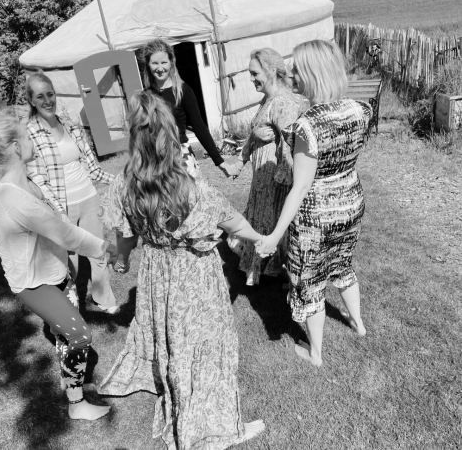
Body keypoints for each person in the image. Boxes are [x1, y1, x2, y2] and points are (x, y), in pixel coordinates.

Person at [97, 92, 265, 449]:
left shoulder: (123, 184)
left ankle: (175, 382)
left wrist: (124, 260)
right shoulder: (189, 189)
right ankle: (214, 424)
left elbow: (124, 238)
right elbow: (233, 222)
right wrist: (262, 238)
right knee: (206, 343)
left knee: (173, 337)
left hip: (157, 272)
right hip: (194, 275)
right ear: (168, 137)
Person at [0, 112, 117, 420]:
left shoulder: (28, 181)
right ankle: (77, 405)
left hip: (56, 270)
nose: (34, 141)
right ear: (17, 147)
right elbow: (66, 233)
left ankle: (67, 376)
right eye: (28, 137)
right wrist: (106, 249)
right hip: (34, 283)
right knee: (79, 335)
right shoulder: (15, 198)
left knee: (64, 332)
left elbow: (56, 220)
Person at [256, 40, 370, 367]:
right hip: (351, 202)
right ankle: (358, 325)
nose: (291, 75)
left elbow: (302, 184)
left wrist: (275, 235)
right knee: (342, 264)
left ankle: (316, 353)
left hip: (316, 216)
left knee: (309, 280)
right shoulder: (360, 110)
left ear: (311, 73)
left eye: (296, 69)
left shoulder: (307, 125)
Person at [25, 72, 120, 312]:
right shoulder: (29, 133)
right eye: (40, 96)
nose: (48, 100)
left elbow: (93, 169)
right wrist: (59, 212)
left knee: (98, 252)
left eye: (50, 94)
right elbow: (37, 179)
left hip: (89, 198)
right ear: (31, 100)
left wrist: (119, 181)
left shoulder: (70, 125)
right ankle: (72, 312)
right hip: (62, 208)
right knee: (71, 264)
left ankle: (104, 299)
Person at [227, 47, 305, 286]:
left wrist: (286, 177)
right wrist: (241, 160)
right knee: (262, 222)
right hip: (262, 176)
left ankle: (289, 277)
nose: (251, 79)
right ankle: (271, 269)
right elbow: (254, 133)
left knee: (274, 225)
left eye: (254, 73)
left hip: (275, 177)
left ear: (271, 71)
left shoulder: (283, 102)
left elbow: (292, 142)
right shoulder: (268, 99)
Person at [139, 39, 237, 178]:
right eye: (155, 63)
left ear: (171, 63)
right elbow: (141, 134)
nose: (160, 68)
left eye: (164, 62)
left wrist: (220, 161)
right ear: (148, 64)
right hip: (156, 161)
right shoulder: (146, 96)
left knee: (190, 198)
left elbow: (199, 127)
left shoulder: (183, 91)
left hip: (182, 157)